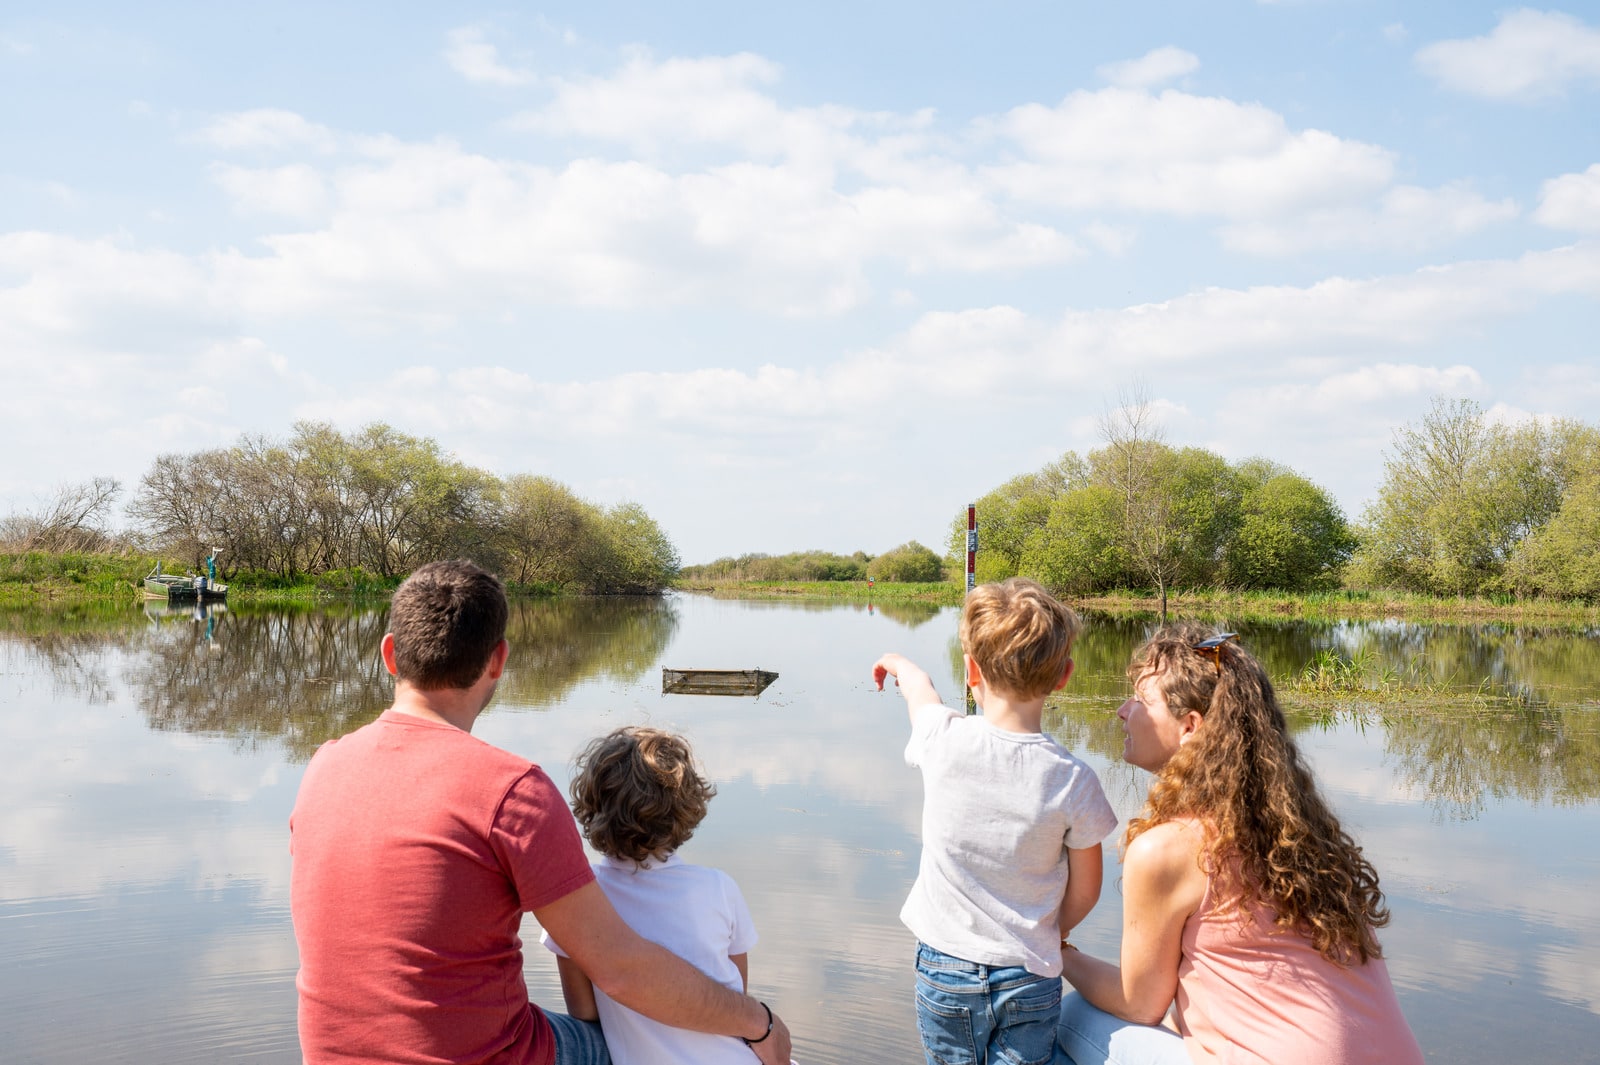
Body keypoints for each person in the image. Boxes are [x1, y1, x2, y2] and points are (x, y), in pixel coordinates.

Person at [289, 559, 792, 1065]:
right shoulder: (509, 791)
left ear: (390, 654)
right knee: (634, 1044)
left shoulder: (322, 767)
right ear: (498, 660)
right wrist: (760, 1023)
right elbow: (621, 970)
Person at [1056, 624, 1424, 1065]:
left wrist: (1057, 952)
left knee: (1074, 1015)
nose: (1121, 711)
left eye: (1140, 700)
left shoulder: (1168, 850)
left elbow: (1139, 1004)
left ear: (1190, 726)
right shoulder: (1301, 833)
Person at [873, 577, 1118, 1065]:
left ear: (971, 671)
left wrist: (897, 663)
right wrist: (1050, 931)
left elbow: (920, 694)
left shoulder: (942, 739)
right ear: (1064, 675)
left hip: (944, 968)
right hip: (1029, 973)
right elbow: (1087, 892)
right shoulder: (1075, 779)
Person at [543, 726, 778, 1065]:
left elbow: (584, 1014)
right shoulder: (719, 887)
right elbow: (735, 999)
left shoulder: (579, 896)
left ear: (593, 805)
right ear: (684, 810)